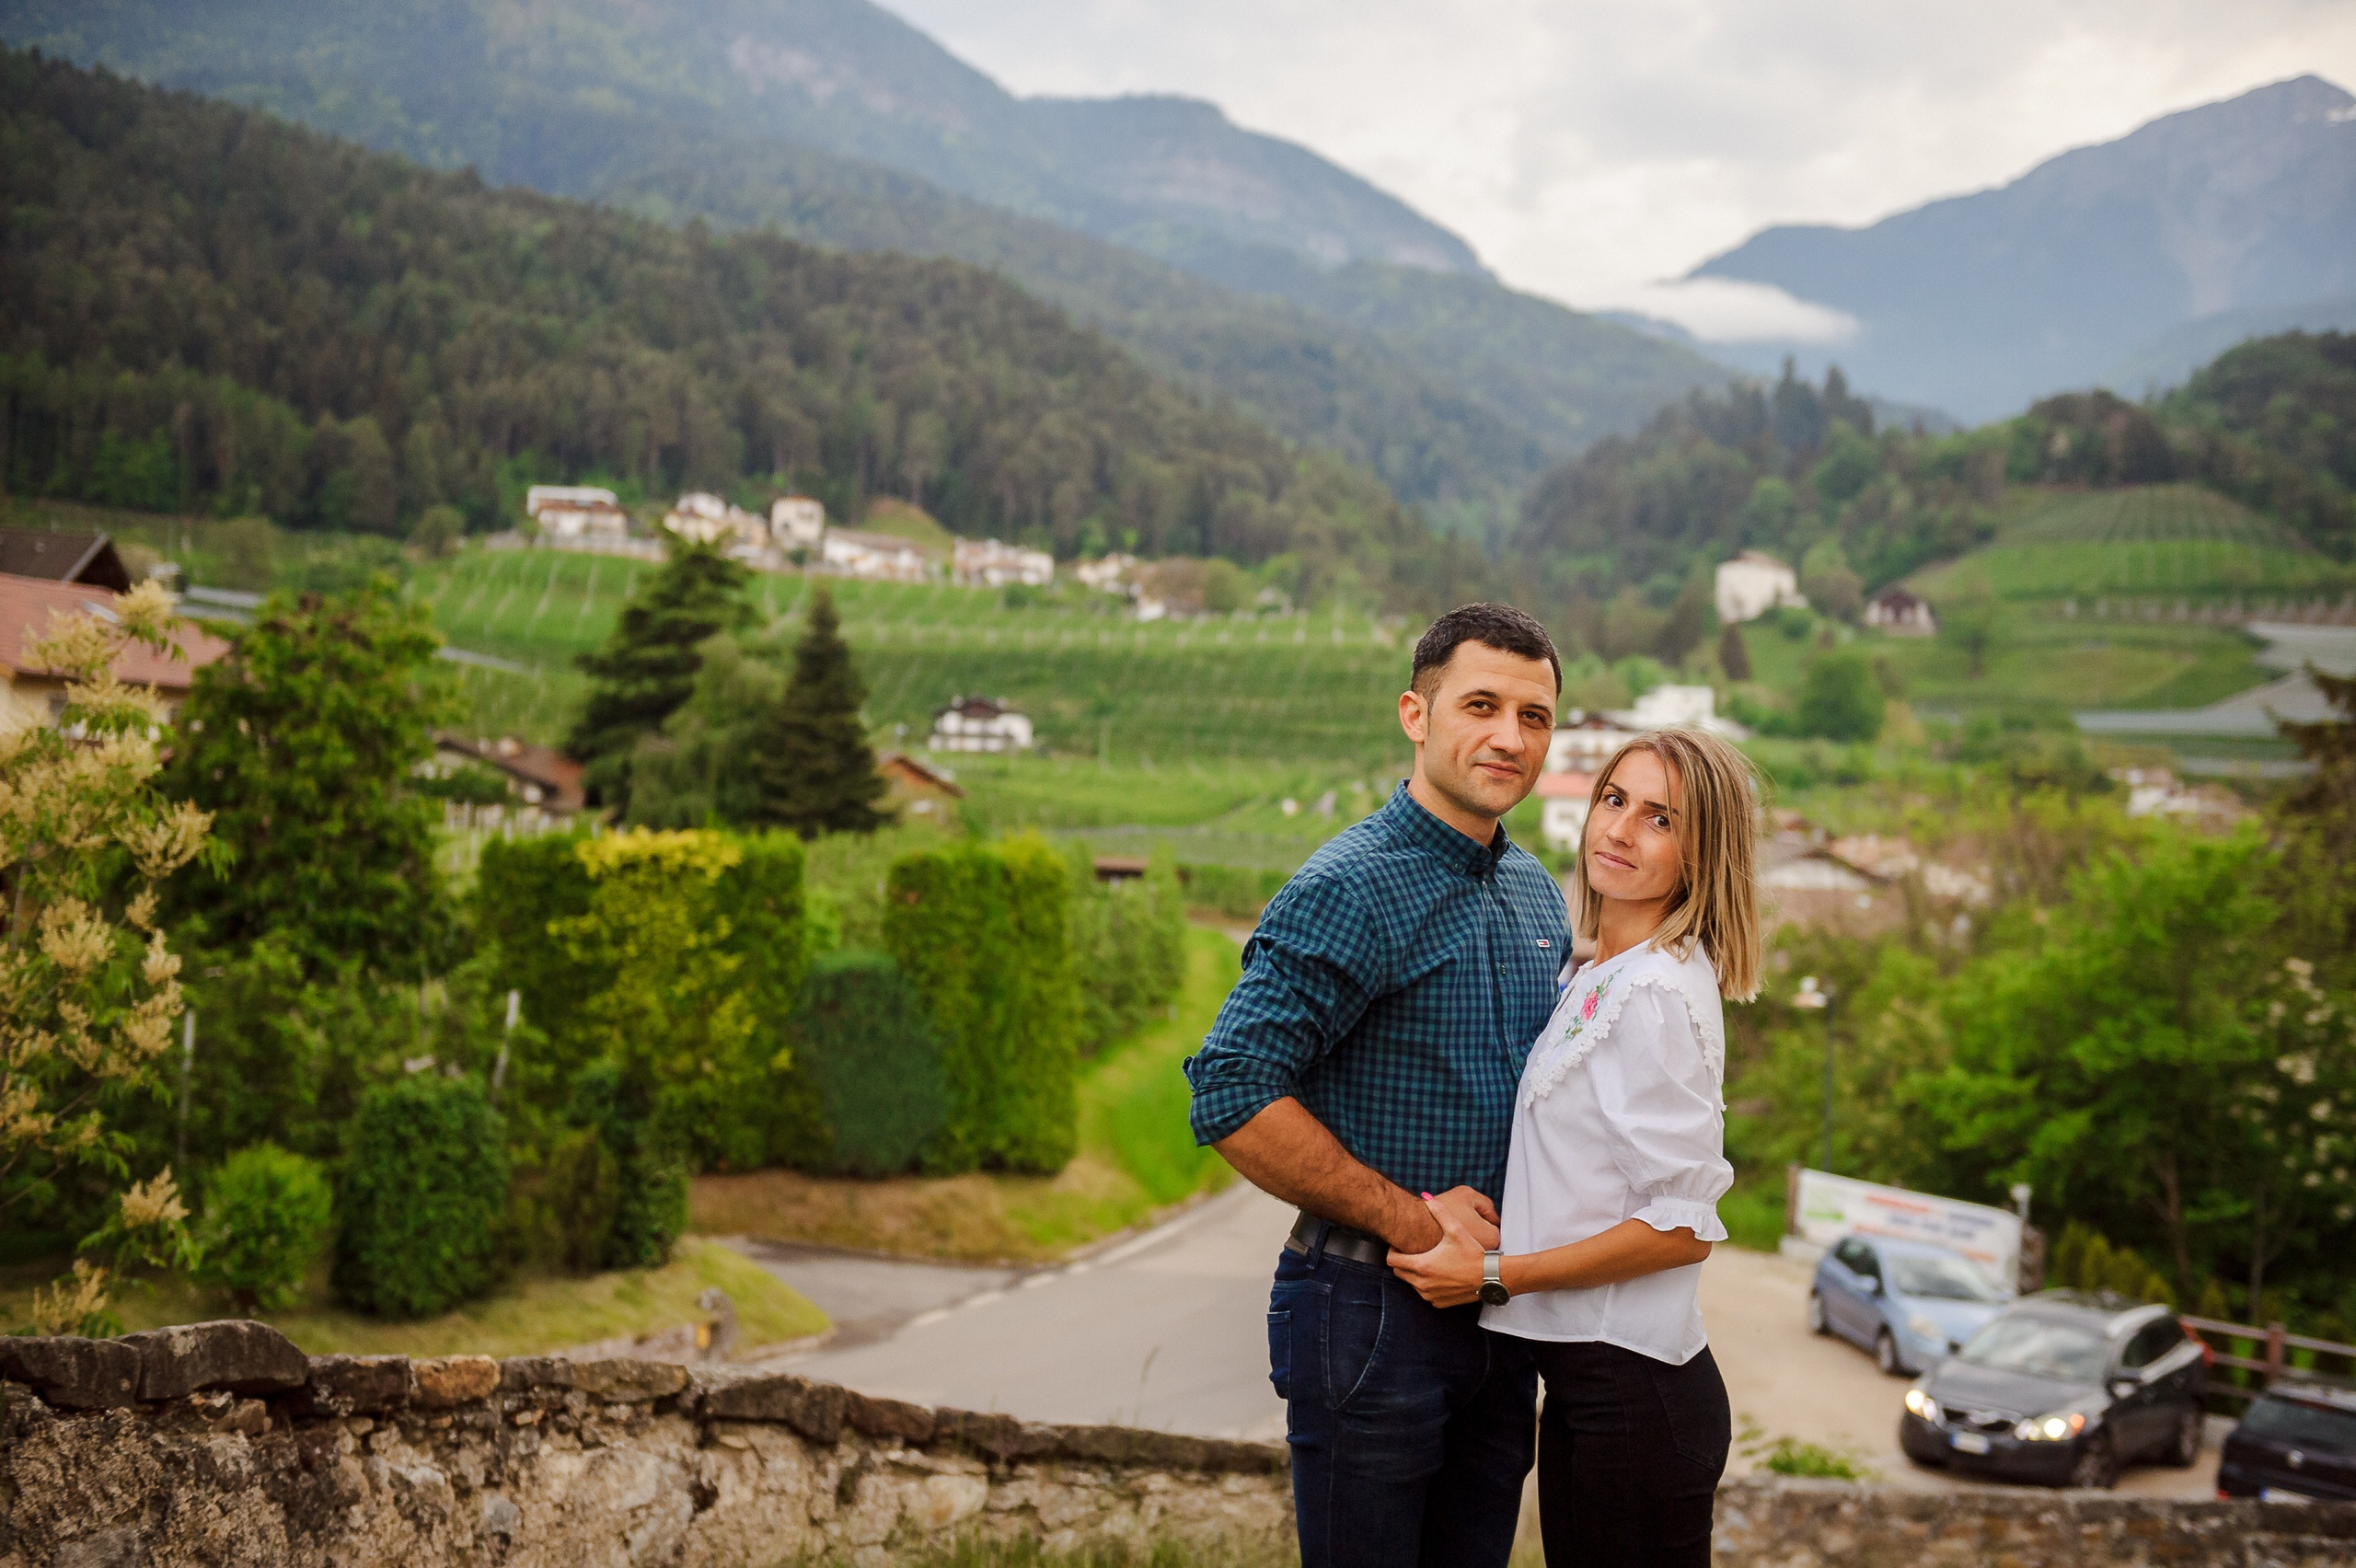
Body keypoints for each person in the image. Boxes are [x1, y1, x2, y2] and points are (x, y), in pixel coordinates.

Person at [1184, 603, 1569, 1568]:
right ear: (1415, 714)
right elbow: (1229, 1088)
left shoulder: (1533, 891)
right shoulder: (1351, 882)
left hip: (1497, 1316)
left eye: (1533, 716)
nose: (1507, 736)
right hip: (1368, 1309)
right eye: (1480, 705)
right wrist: (1413, 1222)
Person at [1388, 728, 1761, 1568]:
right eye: (1615, 800)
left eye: (1661, 819)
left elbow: (1682, 1226)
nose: (1621, 831)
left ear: (1702, 854)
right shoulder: (1602, 972)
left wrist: (1492, 1275)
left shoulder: (1657, 991)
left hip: (1634, 1396)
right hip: (1591, 1392)